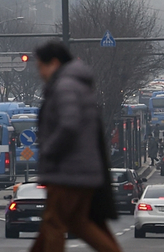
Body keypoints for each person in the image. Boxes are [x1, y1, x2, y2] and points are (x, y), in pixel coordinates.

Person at [31, 41, 121, 252]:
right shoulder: (76, 84)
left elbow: (68, 125)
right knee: (79, 224)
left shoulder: (65, 86)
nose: (40, 73)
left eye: (40, 67)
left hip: (68, 171)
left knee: (54, 224)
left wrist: (48, 150)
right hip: (79, 169)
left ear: (53, 63)